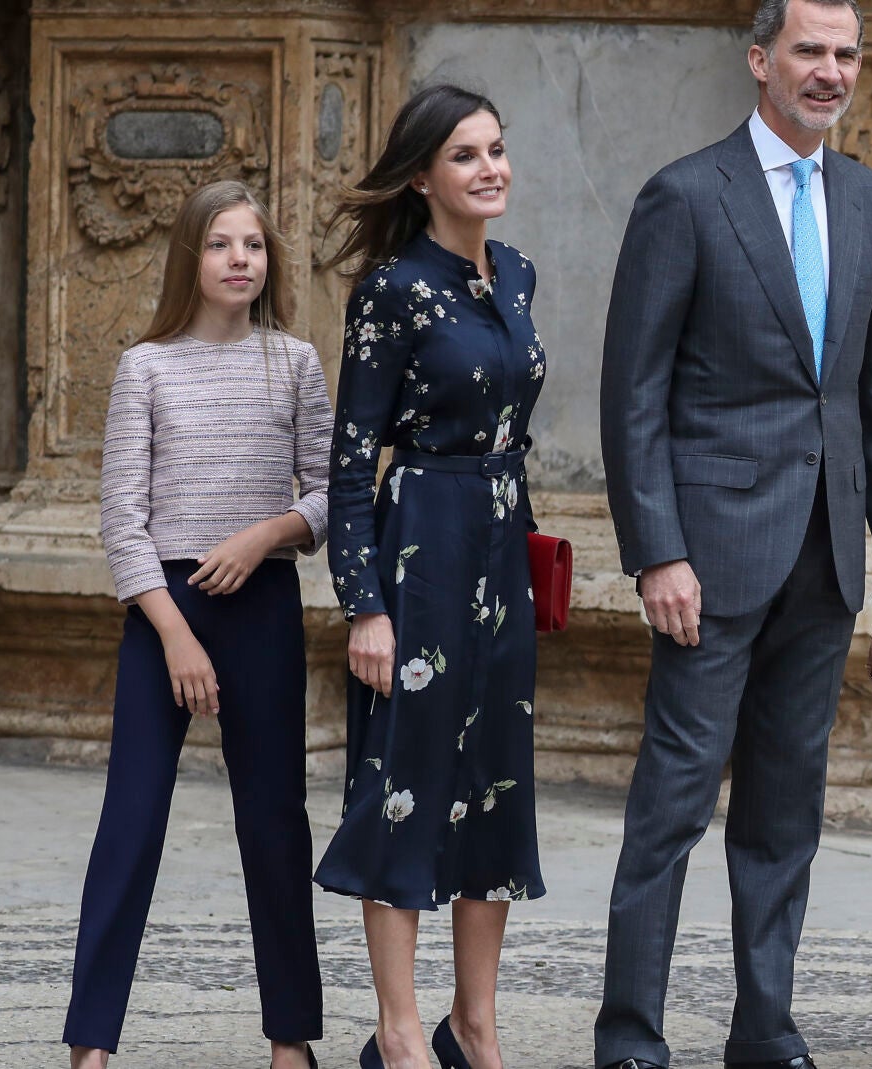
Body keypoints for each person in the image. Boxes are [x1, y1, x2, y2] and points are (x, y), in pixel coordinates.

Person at [593, 0, 872, 1064]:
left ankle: (764, 1026)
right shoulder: (686, 195)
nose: (829, 71)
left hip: (826, 556)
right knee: (671, 805)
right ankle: (630, 1032)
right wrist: (658, 550)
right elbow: (632, 392)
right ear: (759, 61)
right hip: (711, 557)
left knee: (786, 811)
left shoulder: (870, 200)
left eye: (845, 54)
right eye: (808, 52)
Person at [67, 179, 327, 1069]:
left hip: (262, 602)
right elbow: (120, 518)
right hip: (161, 612)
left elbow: (333, 493)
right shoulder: (146, 366)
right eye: (221, 245)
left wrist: (265, 535)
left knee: (273, 818)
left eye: (253, 245)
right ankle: (90, 1041)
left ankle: (291, 1040)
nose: (240, 260)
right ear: (191, 256)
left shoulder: (293, 362)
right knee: (131, 818)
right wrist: (175, 632)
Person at [313, 84, 546, 1069]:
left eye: (495, 148)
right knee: (404, 784)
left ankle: (474, 1022)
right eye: (465, 155)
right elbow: (348, 460)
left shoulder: (520, 274)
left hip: (501, 543)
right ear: (422, 176)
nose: (489, 167)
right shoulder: (393, 289)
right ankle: (401, 1034)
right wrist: (364, 606)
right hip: (421, 547)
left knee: (494, 785)